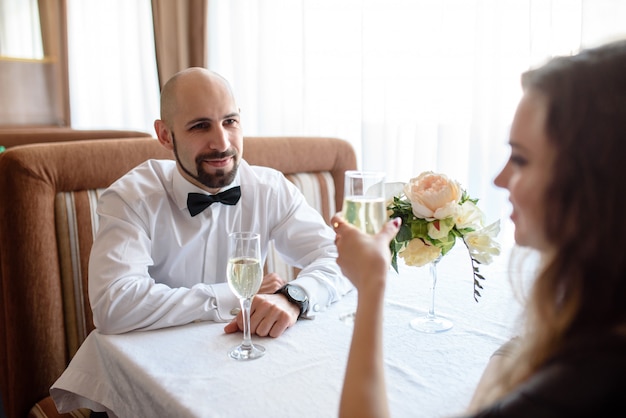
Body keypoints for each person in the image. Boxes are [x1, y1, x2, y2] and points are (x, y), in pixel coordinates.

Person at [333, 38, 626, 417]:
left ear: (594, 182)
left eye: (520, 159)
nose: (499, 179)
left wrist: (371, 285)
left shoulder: (584, 384)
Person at [88, 67, 352, 337]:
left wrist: (294, 296)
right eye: (200, 126)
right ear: (165, 135)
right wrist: (233, 296)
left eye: (230, 122)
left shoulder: (269, 189)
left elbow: (342, 260)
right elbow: (114, 304)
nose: (221, 142)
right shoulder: (131, 199)